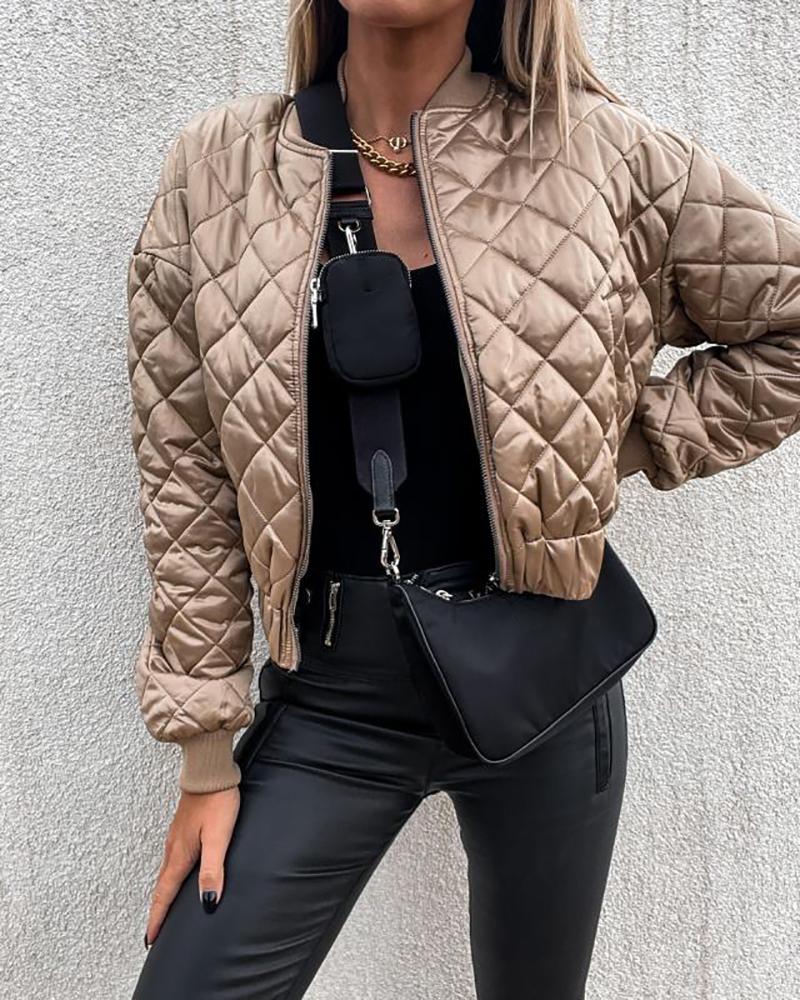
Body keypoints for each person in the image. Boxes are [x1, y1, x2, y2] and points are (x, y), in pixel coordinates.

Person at [126, 1, 800, 996]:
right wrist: (205, 759)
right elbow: (183, 468)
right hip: (330, 704)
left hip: (545, 682)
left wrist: (613, 441)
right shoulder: (222, 169)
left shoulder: (598, 154)